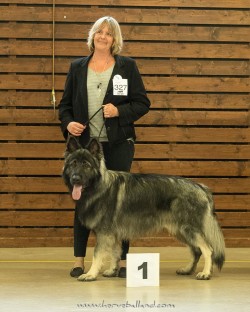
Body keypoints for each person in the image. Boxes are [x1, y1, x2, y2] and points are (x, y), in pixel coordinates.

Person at [58, 16, 150, 279]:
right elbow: (64, 106)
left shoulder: (127, 66)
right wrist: (69, 124)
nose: (103, 36)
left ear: (115, 39)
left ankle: (120, 263)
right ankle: (79, 260)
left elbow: (143, 103)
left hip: (118, 144)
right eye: (99, 32)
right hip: (85, 147)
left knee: (121, 205)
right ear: (92, 36)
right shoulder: (77, 67)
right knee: (82, 201)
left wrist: (118, 110)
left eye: (109, 33)